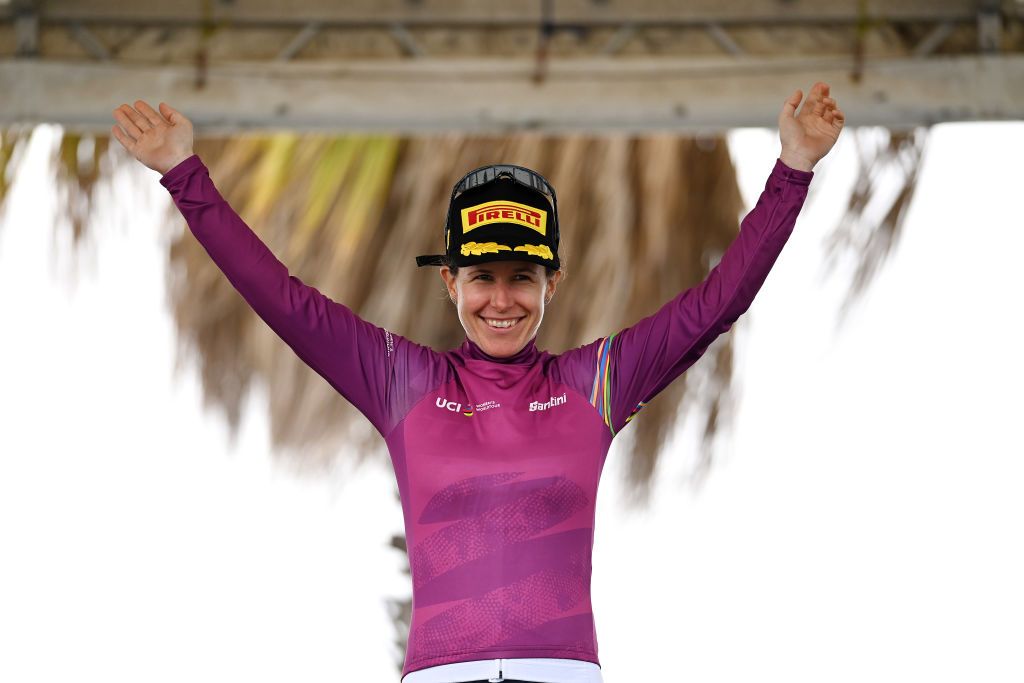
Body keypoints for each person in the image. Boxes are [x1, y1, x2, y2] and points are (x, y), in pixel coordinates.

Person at [111, 82, 844, 683]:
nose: (502, 299)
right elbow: (280, 295)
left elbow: (718, 303)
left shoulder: (596, 382)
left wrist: (793, 169)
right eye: (482, 278)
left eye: (522, 277)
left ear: (551, 283)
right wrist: (185, 174)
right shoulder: (403, 381)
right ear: (450, 285)